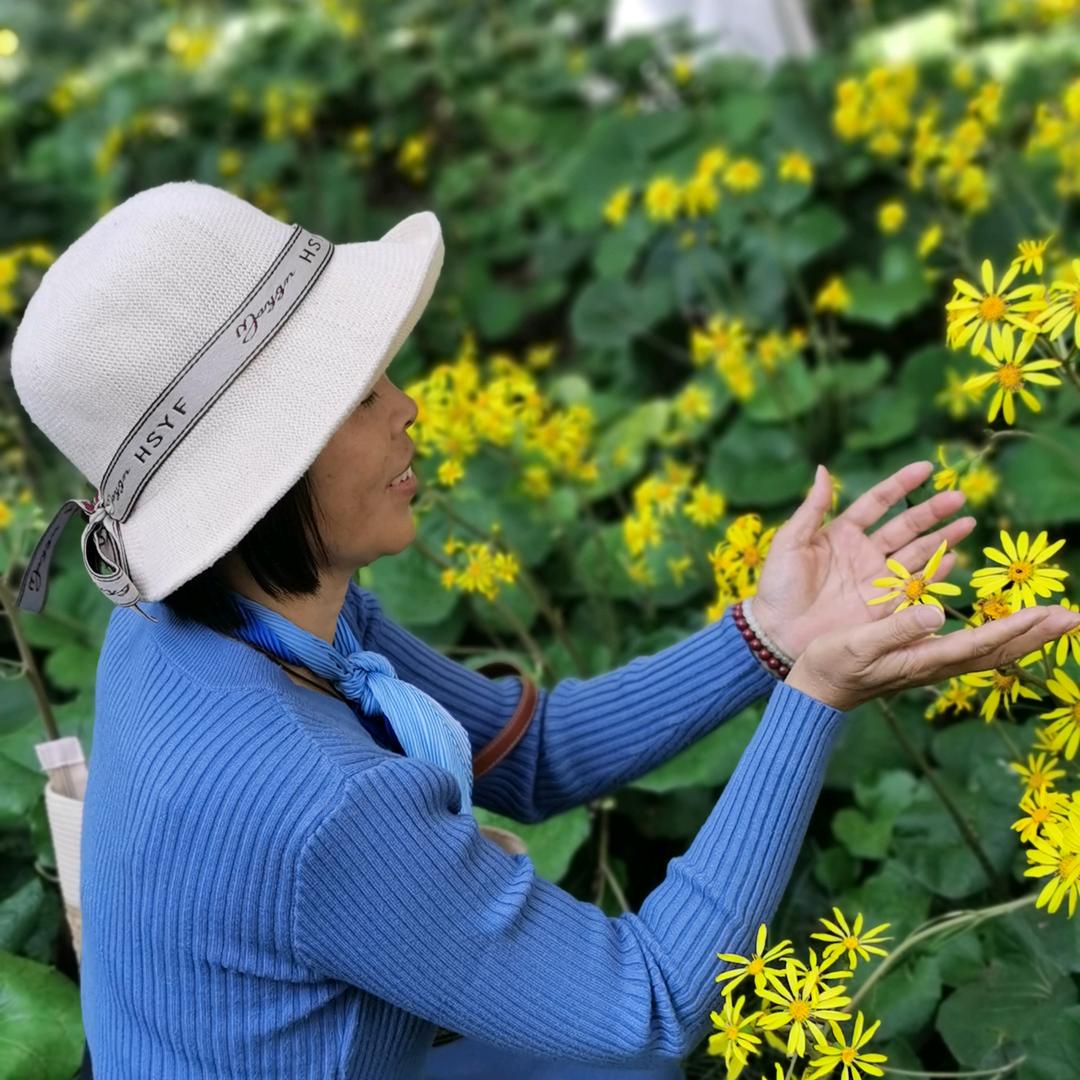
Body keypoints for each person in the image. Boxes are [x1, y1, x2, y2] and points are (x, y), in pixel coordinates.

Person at [10, 180, 1078, 1080]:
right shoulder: (320, 800)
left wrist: (764, 631)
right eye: (356, 393)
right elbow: (648, 1009)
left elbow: (528, 756)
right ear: (264, 480)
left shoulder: (202, 623)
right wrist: (814, 698)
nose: (410, 406)